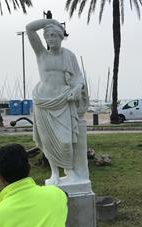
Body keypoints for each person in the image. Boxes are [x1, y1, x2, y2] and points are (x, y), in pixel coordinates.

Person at [26, 19, 89, 185]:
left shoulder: (69, 56)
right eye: (48, 36)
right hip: (43, 103)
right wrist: (51, 21)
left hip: (63, 102)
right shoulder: (41, 54)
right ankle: (54, 173)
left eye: (55, 35)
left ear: (61, 37)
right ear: (45, 38)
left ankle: (70, 171)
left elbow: (78, 77)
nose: (51, 38)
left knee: (66, 140)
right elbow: (29, 29)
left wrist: (77, 87)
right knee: (47, 142)